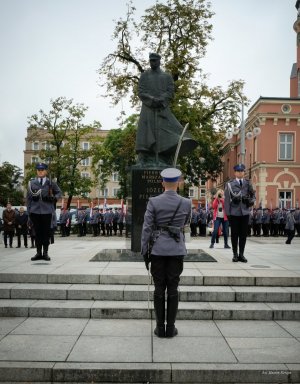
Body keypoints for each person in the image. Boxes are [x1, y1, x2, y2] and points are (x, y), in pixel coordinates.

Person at [141, 168, 192, 338]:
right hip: (176, 250)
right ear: (178, 183)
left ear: (162, 183)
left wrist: (144, 250)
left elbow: (147, 228)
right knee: (173, 288)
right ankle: (170, 328)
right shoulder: (186, 202)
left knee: (158, 288)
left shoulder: (153, 201)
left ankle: (159, 328)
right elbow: (185, 223)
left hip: (157, 250)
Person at [135, 53, 197, 166]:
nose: (152, 63)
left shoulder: (167, 76)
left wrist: (161, 100)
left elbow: (170, 91)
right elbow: (141, 91)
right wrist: (152, 99)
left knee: (167, 130)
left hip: (162, 108)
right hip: (148, 108)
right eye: (150, 61)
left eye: (154, 60)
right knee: (146, 132)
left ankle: (165, 157)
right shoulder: (144, 75)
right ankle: (143, 158)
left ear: (159, 61)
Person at [26, 162, 61, 261]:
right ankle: (38, 253)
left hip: (47, 211)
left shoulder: (51, 183)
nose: (40, 172)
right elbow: (28, 199)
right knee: (37, 233)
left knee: (46, 233)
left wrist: (53, 198)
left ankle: (45, 253)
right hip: (35, 212)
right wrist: (29, 211)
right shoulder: (31, 183)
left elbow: (59, 192)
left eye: (42, 170)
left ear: (45, 171)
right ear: (37, 171)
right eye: (38, 170)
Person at [224, 163, 255, 263]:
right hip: (234, 213)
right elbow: (227, 200)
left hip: (245, 212)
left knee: (243, 235)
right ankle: (235, 254)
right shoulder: (230, 184)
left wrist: (250, 201)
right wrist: (228, 214)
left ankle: (241, 254)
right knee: (234, 234)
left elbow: (253, 195)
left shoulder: (248, 183)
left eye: (242, 171)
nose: (240, 173)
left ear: (244, 172)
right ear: (235, 172)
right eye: (238, 171)